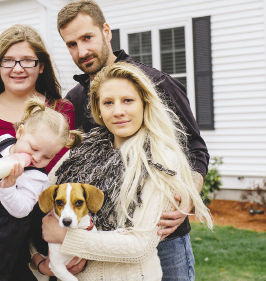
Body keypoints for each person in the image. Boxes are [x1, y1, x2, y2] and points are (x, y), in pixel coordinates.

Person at [57, 0, 209, 280]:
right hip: (104, 242)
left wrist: (188, 195)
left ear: (106, 31)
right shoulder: (74, 101)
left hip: (166, 236)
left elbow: (196, 149)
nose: (82, 51)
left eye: (87, 38)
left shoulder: (156, 83)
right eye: (71, 44)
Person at [36, 62, 213, 280]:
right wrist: (39, 260)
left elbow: (140, 245)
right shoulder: (81, 149)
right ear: (98, 108)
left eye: (128, 100)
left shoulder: (160, 159)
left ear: (144, 103)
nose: (118, 111)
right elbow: (37, 206)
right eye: (108, 102)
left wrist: (67, 238)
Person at [0, 97, 82, 281]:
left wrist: (9, 186)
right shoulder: (3, 141)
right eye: (34, 148)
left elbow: (22, 210)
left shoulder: (37, 177)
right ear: (20, 132)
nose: (37, 158)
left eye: (47, 156)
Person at [0, 24, 74, 173]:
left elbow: (65, 170)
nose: (17, 69)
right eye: (8, 60)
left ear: (41, 66)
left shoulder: (62, 110)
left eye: (27, 60)